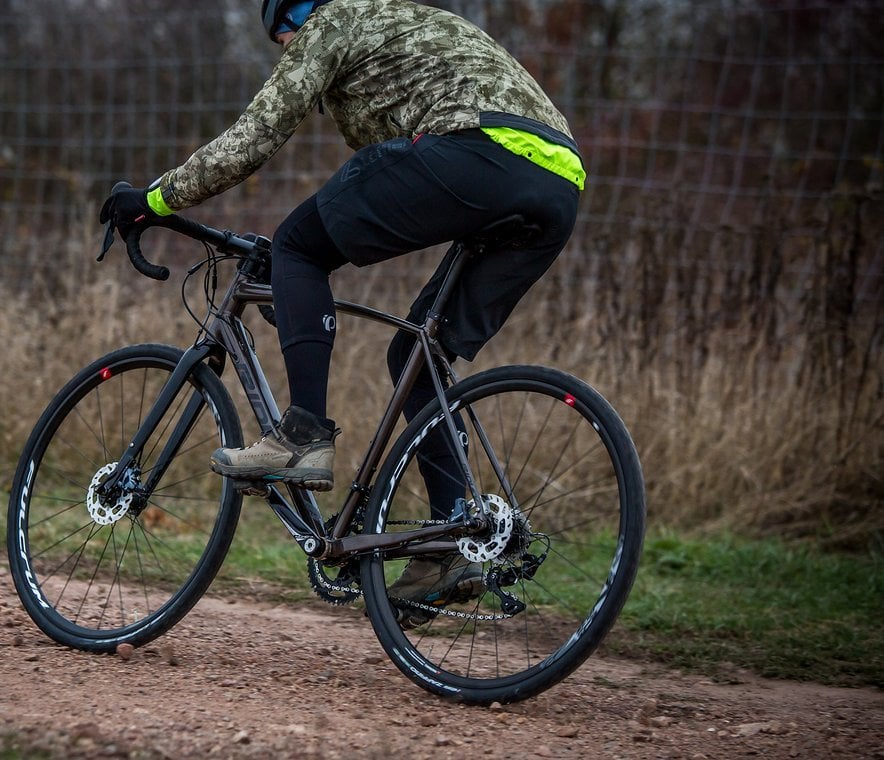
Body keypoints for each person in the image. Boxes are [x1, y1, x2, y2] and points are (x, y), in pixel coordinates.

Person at [100, 0, 584, 618]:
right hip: (557, 181)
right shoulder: (400, 29)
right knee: (416, 351)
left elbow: (257, 135)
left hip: (477, 150)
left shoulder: (329, 21)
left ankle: (302, 437)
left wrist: (158, 200)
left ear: (292, 20)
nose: (288, 54)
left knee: (299, 243)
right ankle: (452, 537)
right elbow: (394, 175)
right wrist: (301, 289)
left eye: (283, 43)